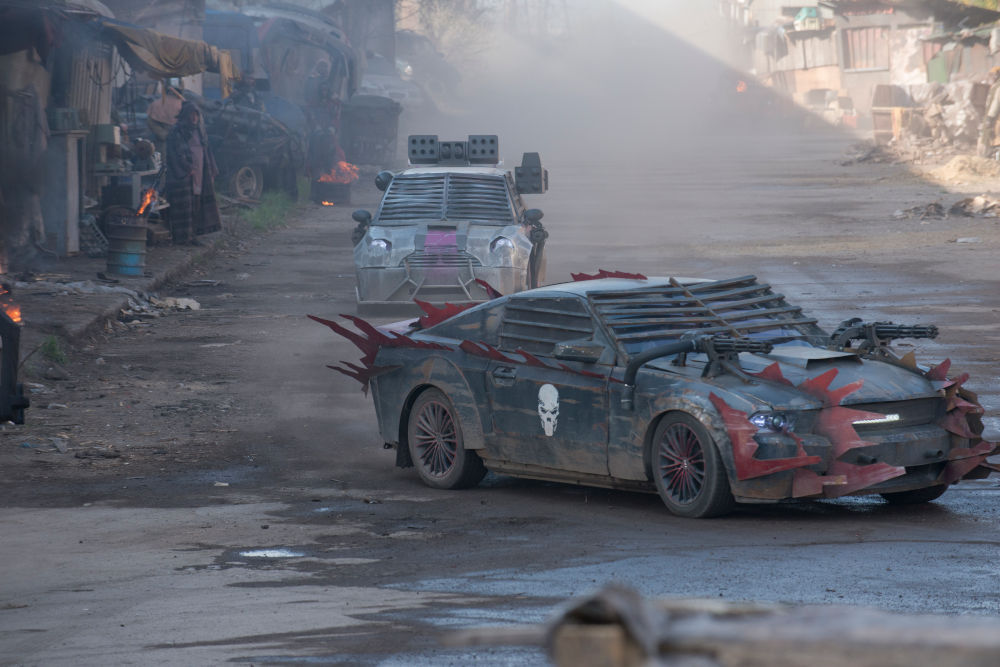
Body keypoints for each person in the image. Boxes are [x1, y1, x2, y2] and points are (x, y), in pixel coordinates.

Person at [165, 101, 221, 244]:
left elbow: (207, 150)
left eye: (196, 114)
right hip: (183, 175)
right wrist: (186, 167)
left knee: (197, 203)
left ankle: (193, 235)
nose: (194, 118)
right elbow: (174, 153)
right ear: (186, 115)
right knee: (184, 206)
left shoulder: (200, 130)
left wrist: (212, 168)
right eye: (191, 114)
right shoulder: (177, 131)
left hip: (199, 171)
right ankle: (182, 237)